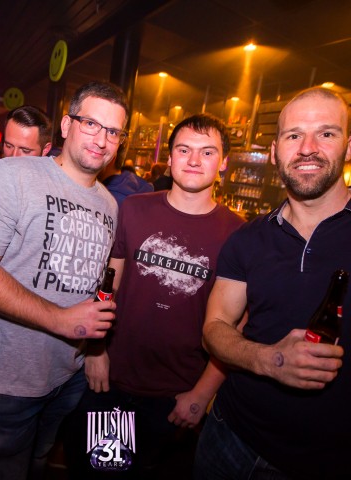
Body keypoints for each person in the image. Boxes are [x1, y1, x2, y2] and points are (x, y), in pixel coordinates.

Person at [0, 81, 129, 480]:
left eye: (113, 131)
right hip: (6, 381)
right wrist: (59, 319)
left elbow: (92, 284)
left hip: (68, 375)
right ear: (66, 125)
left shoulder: (109, 203)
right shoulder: (14, 175)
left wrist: (95, 348)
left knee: (40, 462)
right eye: (91, 124)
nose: (101, 139)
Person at [66, 113, 244, 479]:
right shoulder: (135, 208)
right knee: (100, 469)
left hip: (176, 395)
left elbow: (236, 325)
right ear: (170, 155)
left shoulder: (237, 234)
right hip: (113, 379)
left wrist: (202, 393)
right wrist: (95, 351)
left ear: (223, 162)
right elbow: (108, 284)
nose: (194, 160)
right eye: (184, 149)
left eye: (207, 152)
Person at [194, 87, 351, 480]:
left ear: (348, 148)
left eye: (326, 133)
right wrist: (271, 360)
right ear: (275, 152)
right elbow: (214, 329)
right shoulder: (247, 239)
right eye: (294, 135)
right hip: (230, 436)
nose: (308, 148)